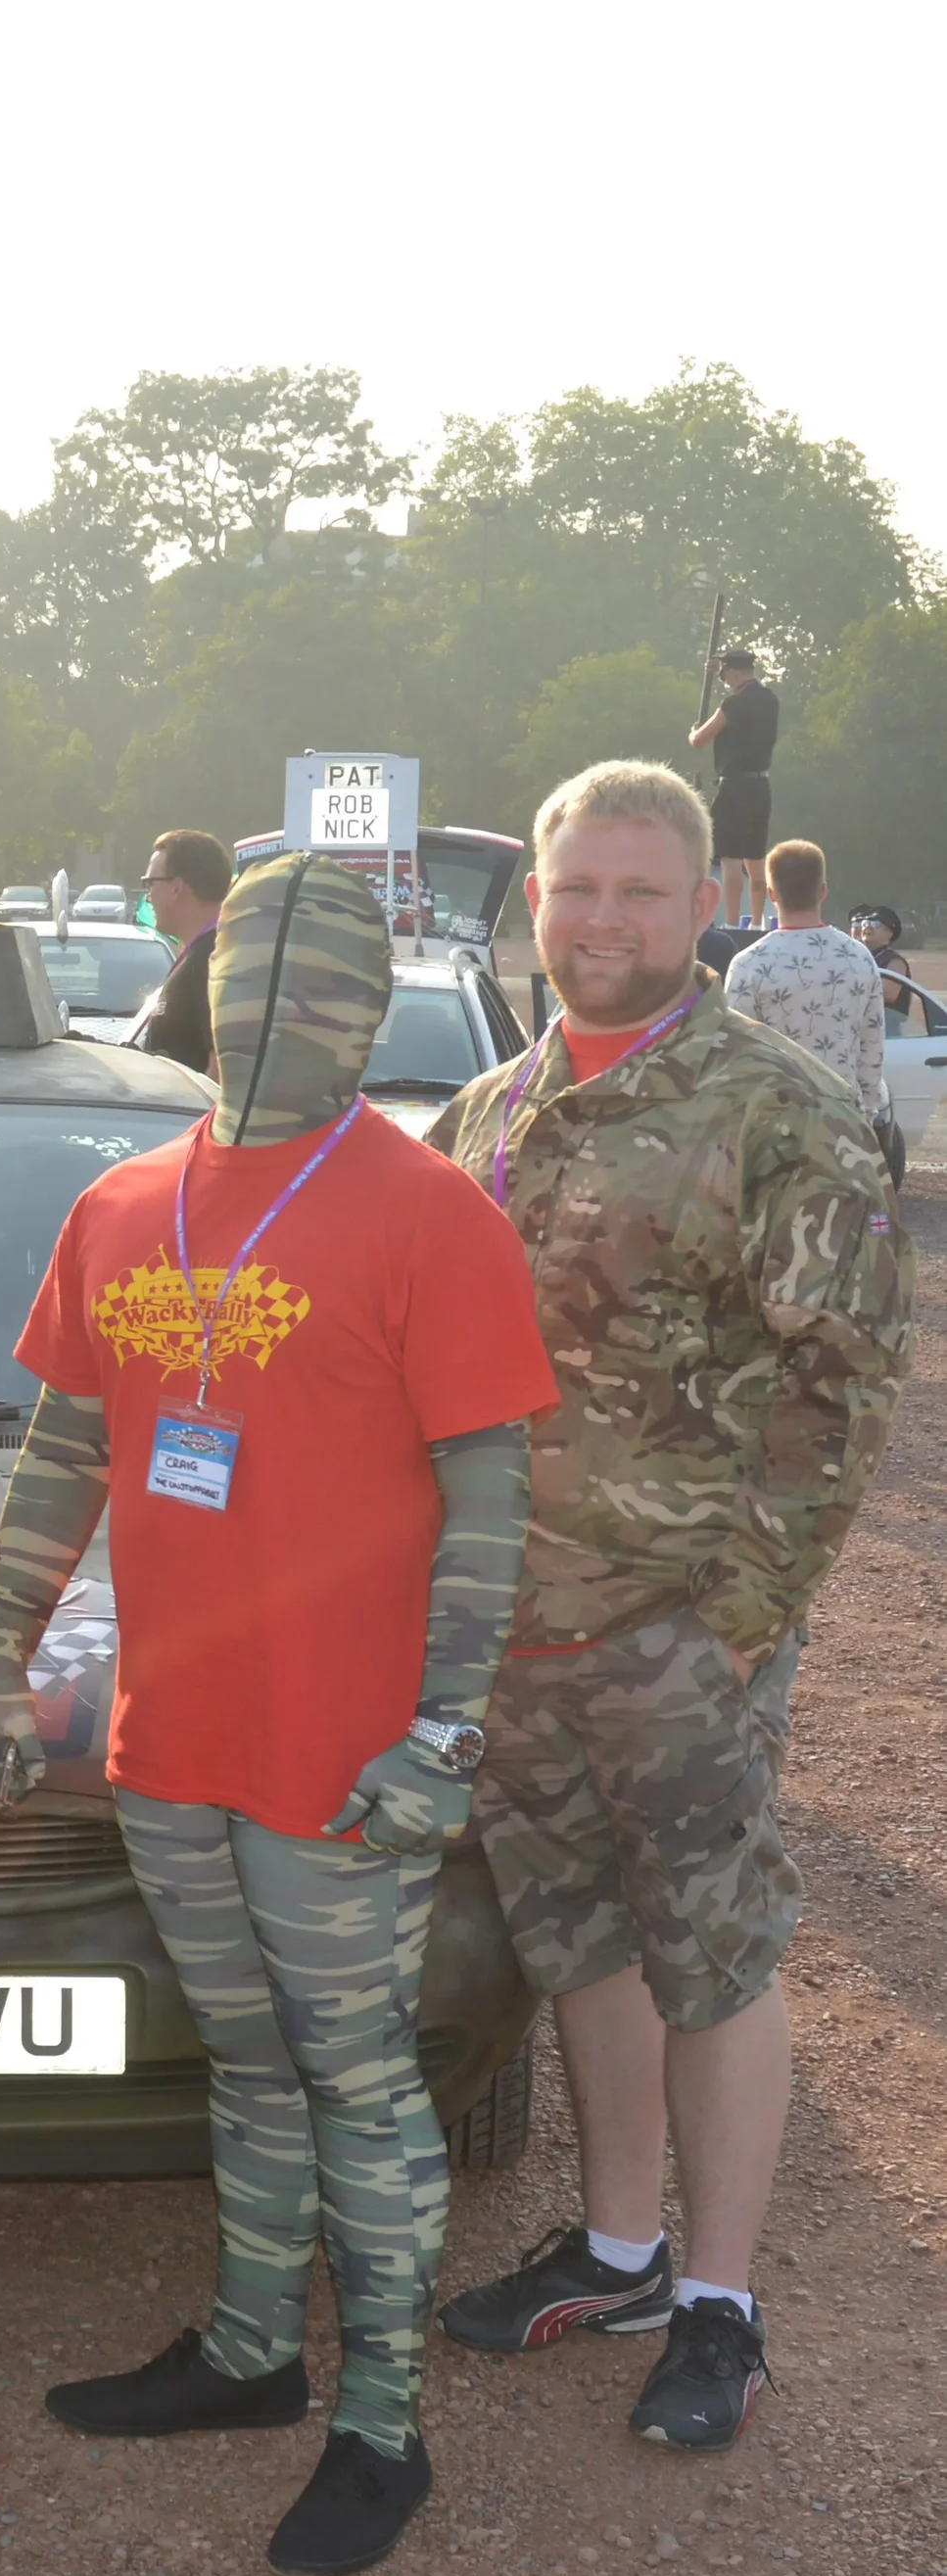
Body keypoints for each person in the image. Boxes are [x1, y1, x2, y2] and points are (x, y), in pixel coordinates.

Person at [0, 855, 557, 2576]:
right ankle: (246, 2351)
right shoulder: (122, 1199)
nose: (289, 1016)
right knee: (246, 2059)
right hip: (173, 1733)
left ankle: (383, 2423)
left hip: (344, 1752)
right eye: (261, 981)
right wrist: (5, 1653)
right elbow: (69, 1443)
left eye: (330, 991)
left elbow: (491, 1496)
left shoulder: (435, 1214)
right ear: (210, 991)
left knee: (364, 2077)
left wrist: (447, 1728)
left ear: (373, 1015)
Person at [426, 760, 911, 2450]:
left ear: (704, 904)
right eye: (579, 889)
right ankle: (621, 2245)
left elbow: (842, 1381)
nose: (606, 920)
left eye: (642, 891)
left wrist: (746, 1616)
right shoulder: (488, 1111)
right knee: (584, 1946)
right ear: (538, 900)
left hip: (683, 1628)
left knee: (710, 1957)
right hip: (517, 1622)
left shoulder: (776, 1107)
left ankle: (719, 2299)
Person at [723, 839, 889, 1140]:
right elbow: (872, 1046)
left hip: (771, 1130)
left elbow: (735, 1056)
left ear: (771, 894)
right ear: (823, 890)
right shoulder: (859, 958)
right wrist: (867, 1112)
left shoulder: (750, 964)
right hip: (843, 1124)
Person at [687, 646, 780, 930]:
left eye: (726, 673)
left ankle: (730, 921)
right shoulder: (770, 700)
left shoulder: (733, 704)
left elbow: (700, 739)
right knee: (755, 857)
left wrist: (693, 730)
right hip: (761, 785)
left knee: (730, 857)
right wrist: (717, 670)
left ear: (736, 671)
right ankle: (755, 920)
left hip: (735, 784)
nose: (725, 678)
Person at [132, 831, 236, 1074]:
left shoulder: (214, 958)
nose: (148, 896)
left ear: (177, 887)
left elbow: (219, 1069)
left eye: (150, 883)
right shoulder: (205, 952)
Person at [848, 903, 916, 1028]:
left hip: (886, 1030)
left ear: (889, 933)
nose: (868, 927)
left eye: (876, 924)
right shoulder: (858, 957)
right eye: (865, 924)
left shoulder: (894, 961)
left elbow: (887, 994)